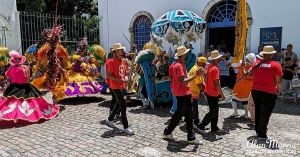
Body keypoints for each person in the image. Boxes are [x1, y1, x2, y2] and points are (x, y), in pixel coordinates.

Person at [0, 51, 59, 123]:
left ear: (14, 61)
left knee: (13, 102)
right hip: (26, 87)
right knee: (31, 101)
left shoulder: (11, 68)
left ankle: (15, 116)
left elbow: (7, 75)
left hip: (14, 87)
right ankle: (26, 115)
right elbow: (29, 76)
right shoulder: (26, 67)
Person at [163, 46, 203, 145]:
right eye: (186, 53)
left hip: (183, 93)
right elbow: (184, 81)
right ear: (183, 55)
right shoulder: (179, 66)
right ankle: (167, 131)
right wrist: (196, 75)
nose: (187, 54)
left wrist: (192, 75)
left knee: (189, 115)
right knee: (179, 115)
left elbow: (183, 78)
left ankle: (191, 136)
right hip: (183, 93)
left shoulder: (175, 64)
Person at [251, 45, 282, 140]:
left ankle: (257, 129)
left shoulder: (255, 64)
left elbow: (253, 75)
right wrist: (278, 91)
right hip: (269, 92)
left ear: (263, 54)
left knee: (258, 110)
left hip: (255, 91)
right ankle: (262, 134)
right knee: (265, 113)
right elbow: (278, 81)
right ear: (271, 55)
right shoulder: (276, 65)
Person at [105, 43, 134, 135]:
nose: (122, 51)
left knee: (118, 104)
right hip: (114, 86)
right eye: (120, 50)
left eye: (122, 50)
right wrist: (122, 80)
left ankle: (110, 119)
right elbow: (109, 75)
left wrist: (128, 74)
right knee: (123, 104)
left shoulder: (123, 61)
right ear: (115, 51)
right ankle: (125, 126)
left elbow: (123, 73)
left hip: (121, 85)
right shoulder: (110, 61)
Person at [197, 50, 226, 133]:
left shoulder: (209, 66)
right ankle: (201, 125)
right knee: (213, 111)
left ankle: (214, 127)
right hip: (212, 93)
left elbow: (205, 77)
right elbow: (217, 84)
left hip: (208, 91)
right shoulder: (215, 68)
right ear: (218, 59)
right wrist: (222, 95)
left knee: (215, 110)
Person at [230, 53, 256, 119]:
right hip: (249, 86)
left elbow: (233, 65)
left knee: (234, 98)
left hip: (240, 84)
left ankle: (235, 112)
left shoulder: (243, 64)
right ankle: (246, 114)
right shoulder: (255, 67)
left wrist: (237, 58)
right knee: (246, 101)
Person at [188, 57, 207, 129]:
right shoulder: (197, 69)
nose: (205, 66)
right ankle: (196, 123)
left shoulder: (195, 67)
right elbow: (199, 83)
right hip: (193, 92)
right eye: (204, 64)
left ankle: (193, 121)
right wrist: (205, 90)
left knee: (193, 108)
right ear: (201, 63)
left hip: (191, 91)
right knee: (195, 108)